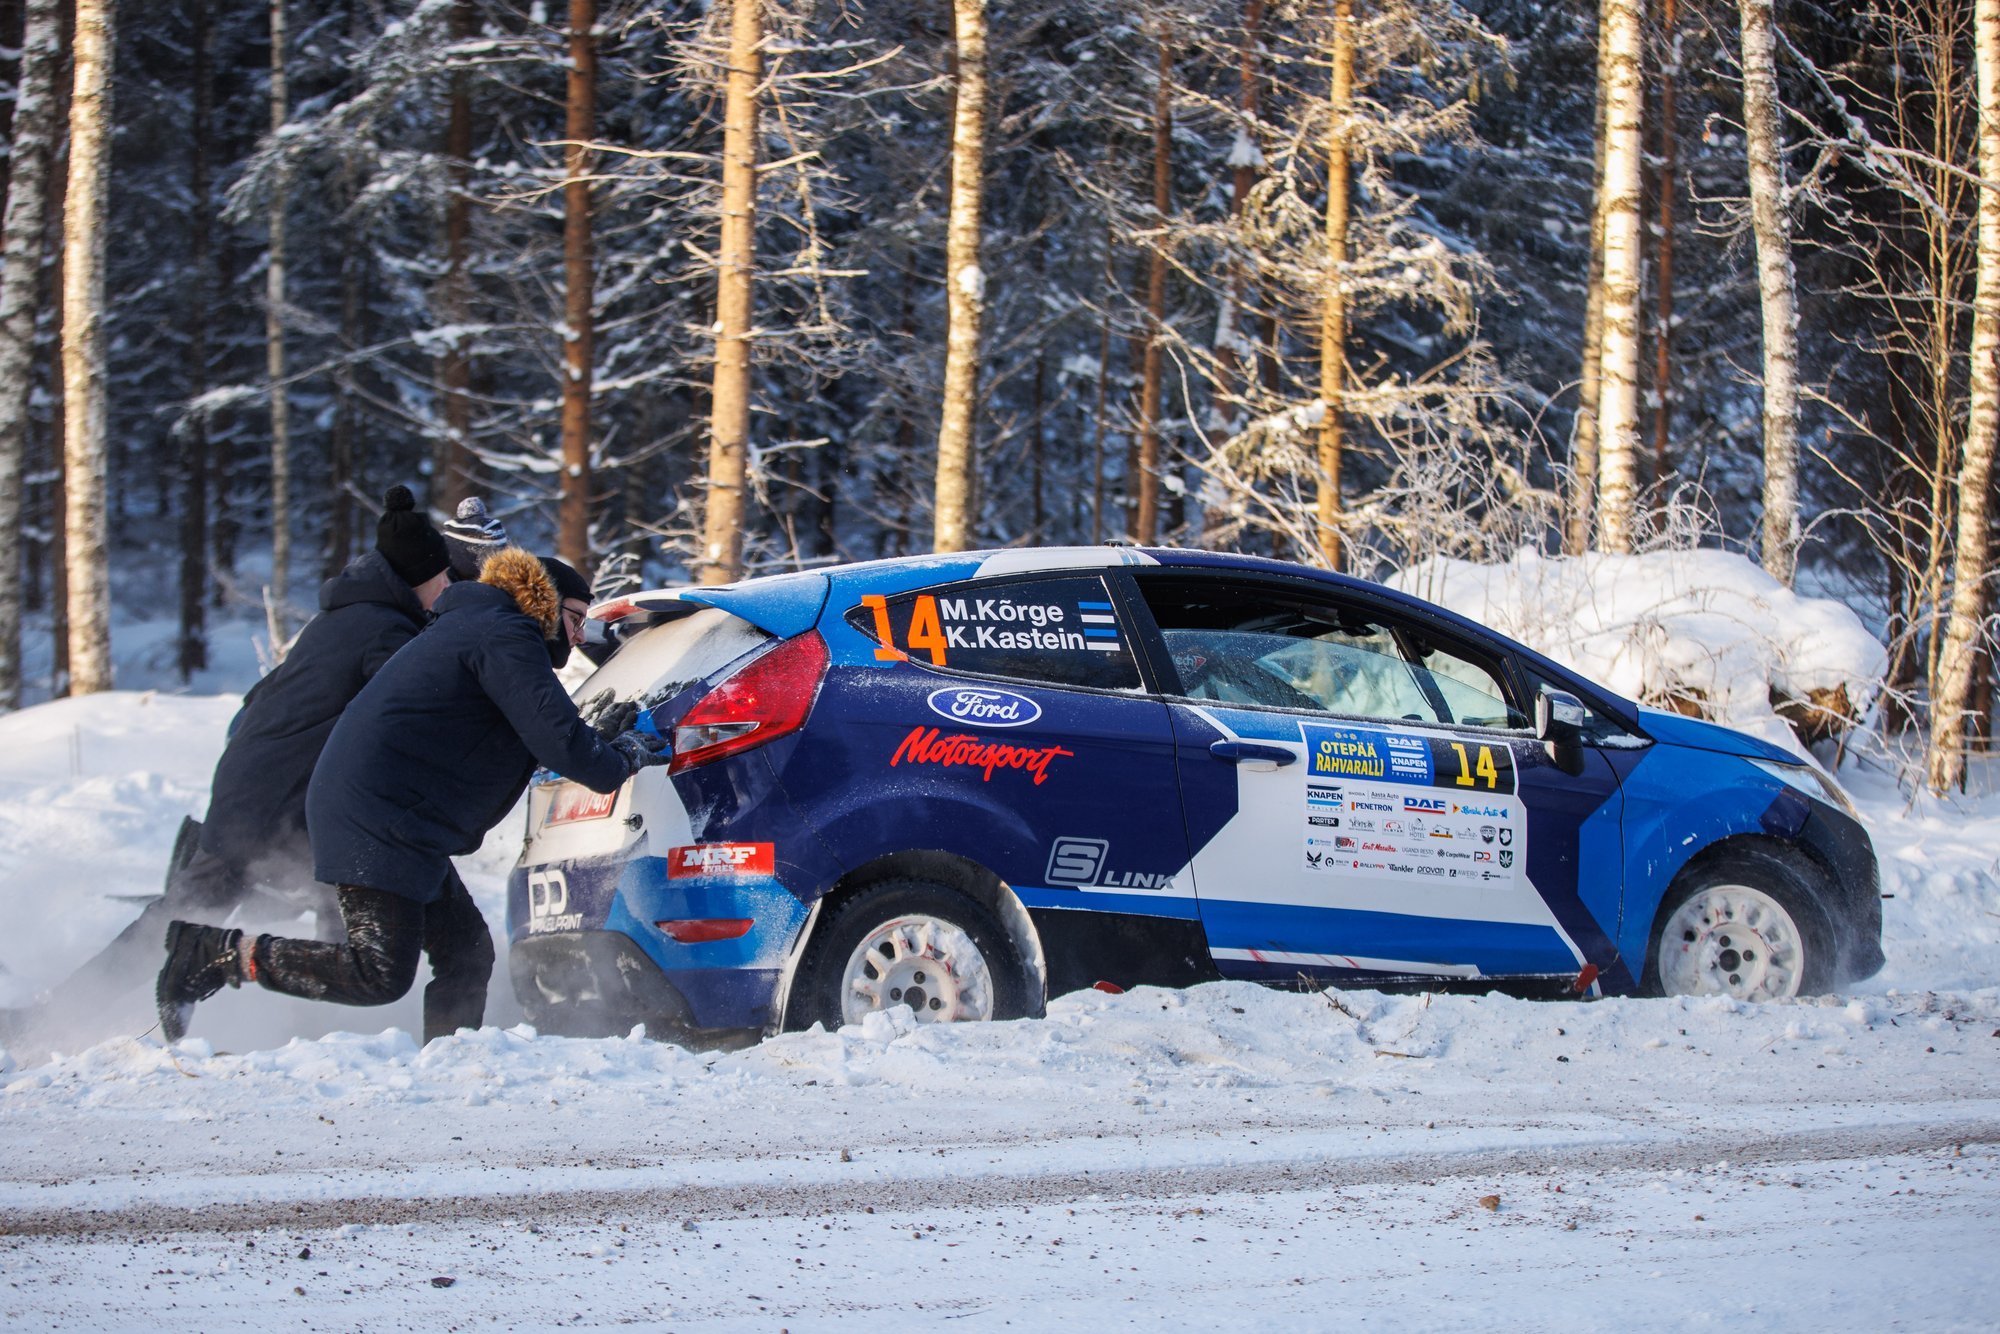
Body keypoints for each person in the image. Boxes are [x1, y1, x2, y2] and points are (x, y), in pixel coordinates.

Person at [0, 487, 454, 1052]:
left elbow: (257, 704)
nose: (446, 591)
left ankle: (52, 1017)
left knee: (186, 916)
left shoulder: (341, 620)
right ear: (419, 577)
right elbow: (418, 713)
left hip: (253, 793)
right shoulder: (384, 631)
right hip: (278, 805)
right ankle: (338, 1041)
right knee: (228, 918)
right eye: (442, 579)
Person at [155, 549, 669, 1044]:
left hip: (397, 816)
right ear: (544, 602)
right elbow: (564, 746)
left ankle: (450, 1063)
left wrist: (597, 741)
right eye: (576, 617)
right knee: (376, 972)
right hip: (380, 818)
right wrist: (619, 755)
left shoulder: (481, 627)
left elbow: (526, 735)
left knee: (466, 953)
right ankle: (217, 952)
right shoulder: (506, 634)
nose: (579, 636)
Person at [441, 496, 509, 582]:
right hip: (496, 586)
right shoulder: (499, 534)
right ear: (483, 511)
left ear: (460, 512)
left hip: (459, 588)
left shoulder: (447, 539)